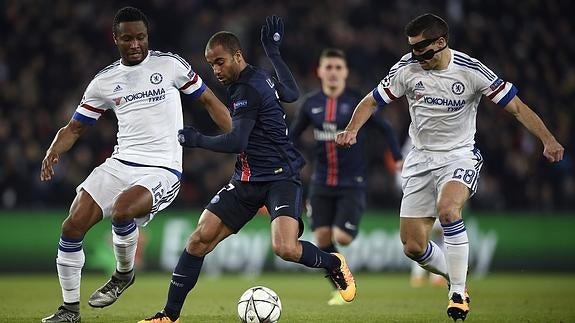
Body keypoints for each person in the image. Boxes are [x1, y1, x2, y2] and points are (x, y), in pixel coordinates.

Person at [336, 13, 564, 322]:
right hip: (419, 158)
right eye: (413, 49)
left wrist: (548, 139)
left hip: (459, 156)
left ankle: (457, 291)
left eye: (423, 50)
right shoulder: (406, 68)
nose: (418, 57)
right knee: (413, 246)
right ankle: (458, 276)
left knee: (448, 211)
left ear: (441, 42)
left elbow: (518, 108)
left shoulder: (471, 71)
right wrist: (352, 129)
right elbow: (371, 101)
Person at [138, 16, 356, 323]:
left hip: (281, 176)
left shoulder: (247, 90)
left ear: (237, 56)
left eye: (220, 62)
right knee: (199, 240)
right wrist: (275, 54)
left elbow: (236, 140)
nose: (216, 71)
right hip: (246, 179)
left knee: (286, 248)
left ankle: (332, 263)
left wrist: (196, 139)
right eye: (211, 64)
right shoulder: (258, 76)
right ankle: (168, 316)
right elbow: (291, 94)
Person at [40, 7, 232, 323]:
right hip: (121, 162)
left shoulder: (169, 65)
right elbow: (75, 128)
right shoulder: (104, 81)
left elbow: (210, 102)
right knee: (72, 225)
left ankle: (123, 274)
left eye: (140, 37)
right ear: (115, 39)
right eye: (127, 38)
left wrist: (240, 141)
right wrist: (53, 149)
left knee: (123, 209)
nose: (135, 44)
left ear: (147, 36)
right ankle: (69, 310)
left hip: (162, 168)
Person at [290, 48, 402, 305]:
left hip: (352, 183)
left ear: (345, 72)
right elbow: (292, 136)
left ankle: (341, 266)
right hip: (320, 181)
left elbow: (384, 128)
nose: (332, 73)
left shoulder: (356, 102)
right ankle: (341, 282)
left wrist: (396, 156)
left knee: (341, 237)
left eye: (337, 68)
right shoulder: (310, 104)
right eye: (328, 67)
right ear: (319, 72)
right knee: (321, 239)